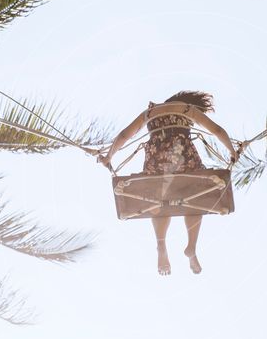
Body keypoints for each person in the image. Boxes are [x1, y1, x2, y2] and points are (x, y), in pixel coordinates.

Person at [99, 91, 238, 276]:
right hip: (184, 161)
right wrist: (232, 151)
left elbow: (125, 135)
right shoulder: (187, 109)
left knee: (159, 199)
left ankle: (161, 245)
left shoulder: (149, 113)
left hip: (156, 165)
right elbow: (217, 131)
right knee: (195, 198)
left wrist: (109, 156)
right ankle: (191, 247)